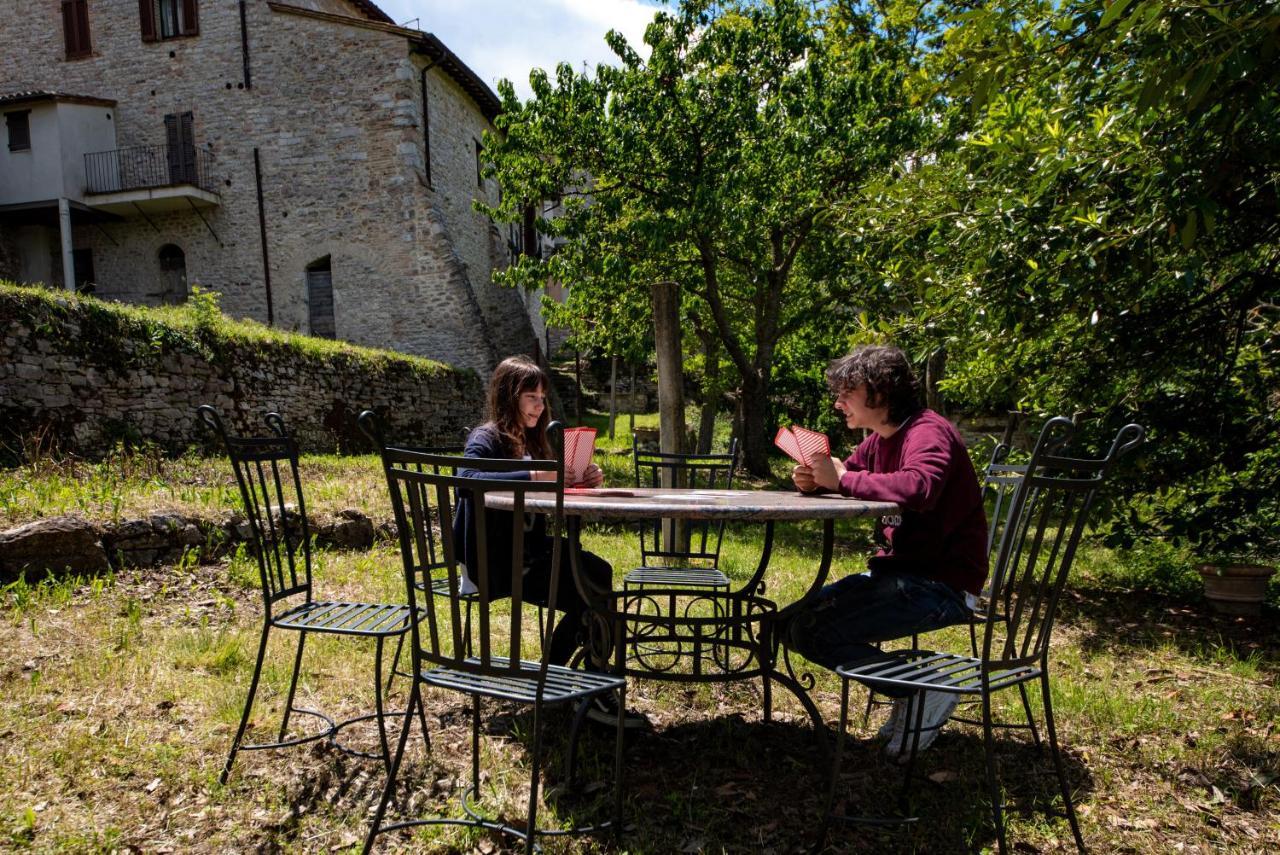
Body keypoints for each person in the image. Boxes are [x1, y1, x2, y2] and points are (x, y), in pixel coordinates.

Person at [785, 344, 988, 757]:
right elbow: (851, 472)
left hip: (941, 585)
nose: (838, 402)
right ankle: (912, 693)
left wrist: (840, 481)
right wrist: (818, 479)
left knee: (815, 629)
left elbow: (918, 487)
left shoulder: (927, 432)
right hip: (901, 576)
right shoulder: (880, 440)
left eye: (847, 391)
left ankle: (921, 692)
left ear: (880, 391)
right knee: (791, 624)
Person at [453, 355, 646, 727]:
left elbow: (542, 489)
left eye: (543, 399)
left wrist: (576, 480)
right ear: (509, 397)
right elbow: (466, 479)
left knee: (597, 572)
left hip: (527, 551)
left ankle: (567, 678)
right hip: (494, 560)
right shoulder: (487, 437)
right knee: (590, 593)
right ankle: (582, 685)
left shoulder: (531, 441)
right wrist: (532, 474)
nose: (540, 407)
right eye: (531, 397)